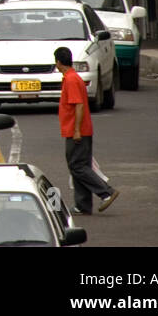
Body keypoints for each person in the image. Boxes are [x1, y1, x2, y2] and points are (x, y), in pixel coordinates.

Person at [54, 46, 119, 215]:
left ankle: (106, 192)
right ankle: (82, 204)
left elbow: (79, 105)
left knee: (77, 166)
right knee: (79, 165)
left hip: (77, 130)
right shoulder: (72, 78)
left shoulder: (71, 80)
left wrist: (76, 130)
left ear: (58, 62)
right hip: (78, 129)